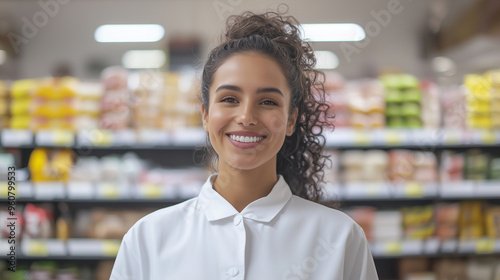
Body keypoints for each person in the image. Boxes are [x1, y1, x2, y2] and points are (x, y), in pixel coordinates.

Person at [110, 10, 379, 280]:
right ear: (205, 114)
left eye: (268, 102)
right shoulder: (147, 239)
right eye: (229, 99)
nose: (246, 117)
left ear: (291, 120)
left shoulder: (341, 238)